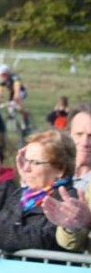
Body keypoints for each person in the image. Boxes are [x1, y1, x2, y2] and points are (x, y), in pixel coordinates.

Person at [0, 130, 76, 254]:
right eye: (26, 160)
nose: (26, 168)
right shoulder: (21, 195)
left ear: (60, 169)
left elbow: (48, 240)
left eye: (35, 163)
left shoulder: (67, 200)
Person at [43, 104, 91, 251]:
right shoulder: (50, 175)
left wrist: (85, 222)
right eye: (79, 134)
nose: (85, 142)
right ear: (68, 135)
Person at [0, 64, 29, 128]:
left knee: (16, 103)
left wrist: (16, 97)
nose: (2, 77)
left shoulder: (14, 77)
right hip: (12, 92)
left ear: (7, 73)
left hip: (21, 91)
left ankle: (25, 116)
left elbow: (17, 88)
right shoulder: (1, 80)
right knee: (10, 108)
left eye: (3, 75)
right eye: (0, 75)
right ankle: (15, 123)